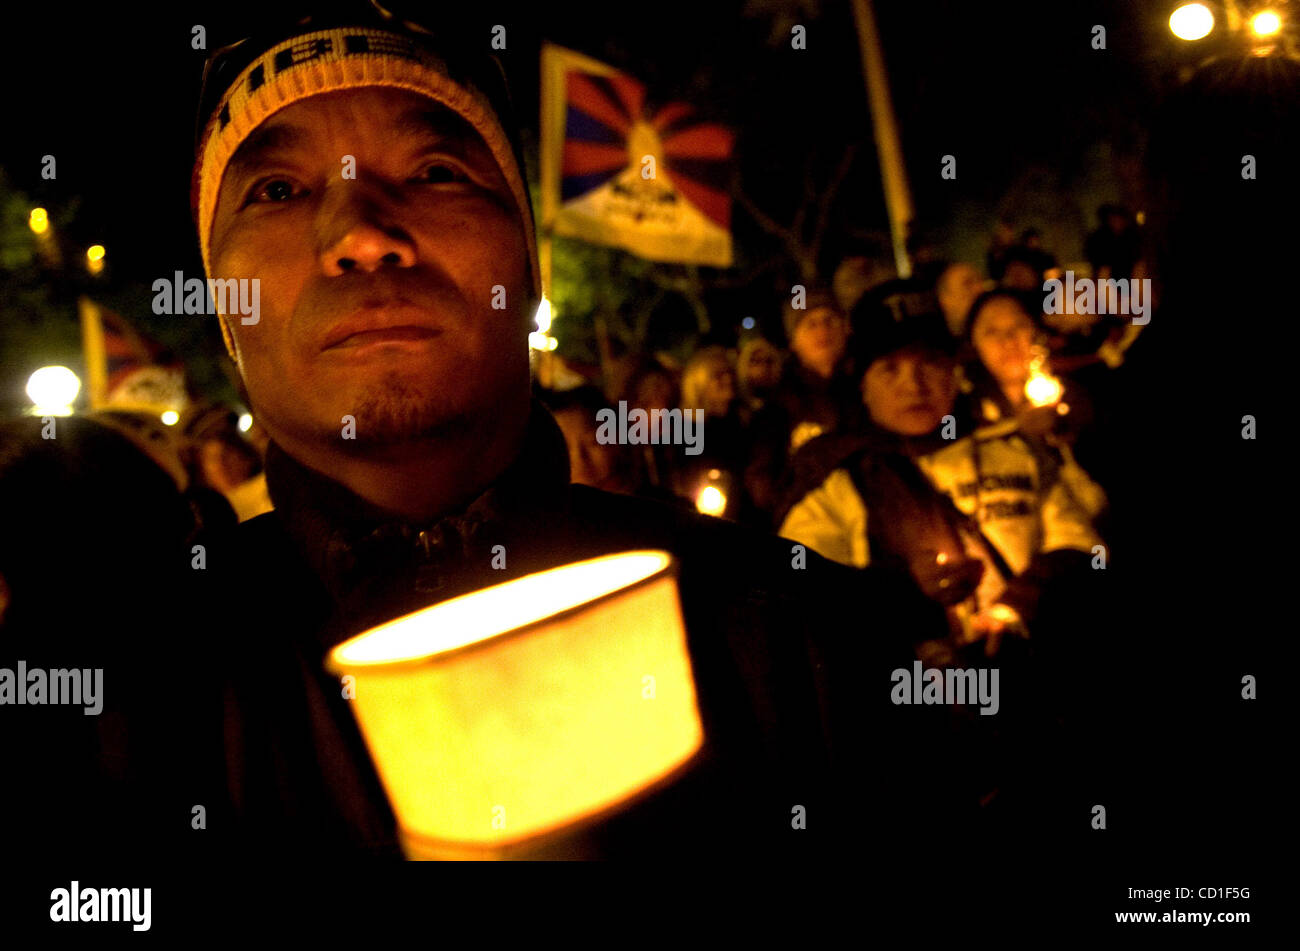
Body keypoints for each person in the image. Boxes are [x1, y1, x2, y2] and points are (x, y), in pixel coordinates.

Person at [175, 1, 937, 860]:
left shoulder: (803, 639)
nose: (360, 235)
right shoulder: (132, 698)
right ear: (217, 306)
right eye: (276, 190)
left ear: (528, 265)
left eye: (434, 172)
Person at [743, 289, 862, 520]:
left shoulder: (870, 391)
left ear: (845, 329)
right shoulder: (777, 410)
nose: (822, 331)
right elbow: (762, 483)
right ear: (794, 341)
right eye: (810, 324)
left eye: (829, 321)